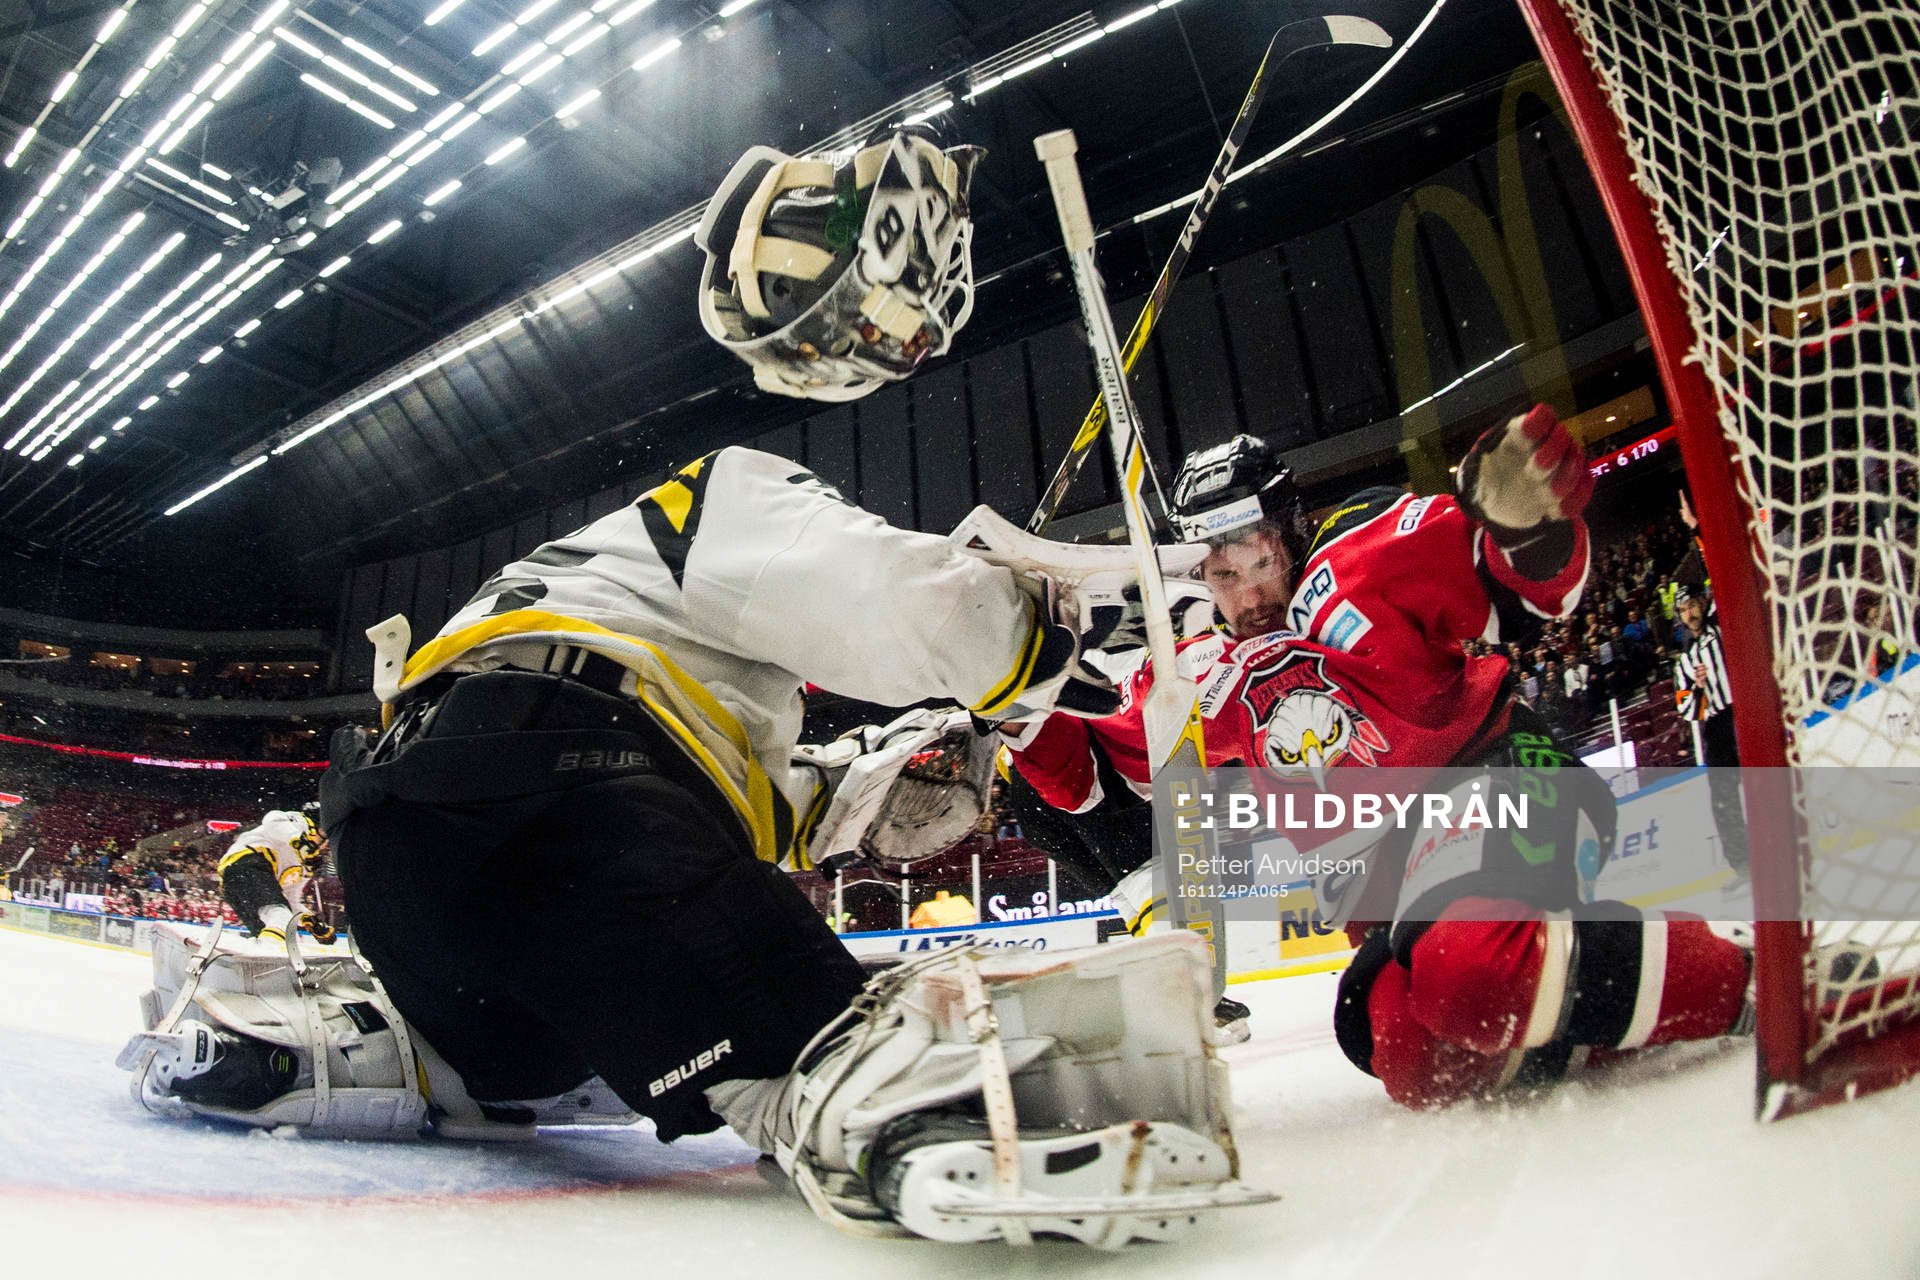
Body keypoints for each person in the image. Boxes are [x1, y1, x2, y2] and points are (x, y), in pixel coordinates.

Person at [133, 131, 1263, 1247]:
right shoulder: (726, 490)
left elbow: (748, 783)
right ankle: (916, 1106)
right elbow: (902, 602)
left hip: (404, 859)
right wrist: (1053, 626)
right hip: (556, 810)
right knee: (801, 1026)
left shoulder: (615, 619)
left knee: (552, 1028)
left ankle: (378, 1042)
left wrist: (888, 775)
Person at [1008, 407, 1763, 1109]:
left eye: (1260, 560)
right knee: (1407, 1049)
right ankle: (1599, 993)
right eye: (1223, 576)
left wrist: (1525, 523)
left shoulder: (1367, 553)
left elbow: (1531, 594)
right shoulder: (1194, 673)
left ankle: (1759, 980)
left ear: (1290, 530)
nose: (1249, 595)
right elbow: (1087, 779)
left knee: (1469, 974)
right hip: (1400, 890)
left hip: (1503, 784)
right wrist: (1004, 679)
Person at [1673, 582, 1750, 885]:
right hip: (1716, 726)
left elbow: (1720, 581)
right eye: (1683, 610)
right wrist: (1698, 688)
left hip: (1742, 712)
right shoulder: (1684, 663)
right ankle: (1743, 865)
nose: (1689, 613)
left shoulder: (1720, 627)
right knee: (1723, 798)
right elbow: (1687, 710)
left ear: (1703, 603)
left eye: (1692, 605)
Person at [216, 809, 335, 944]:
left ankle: (260, 957)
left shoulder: (306, 863)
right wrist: (300, 842)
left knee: (283, 933)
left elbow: (291, 900)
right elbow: (272, 819)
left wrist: (309, 920)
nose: (326, 845)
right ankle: (265, 951)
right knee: (281, 917)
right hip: (248, 863)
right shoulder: (300, 824)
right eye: (326, 837)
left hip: (235, 884)